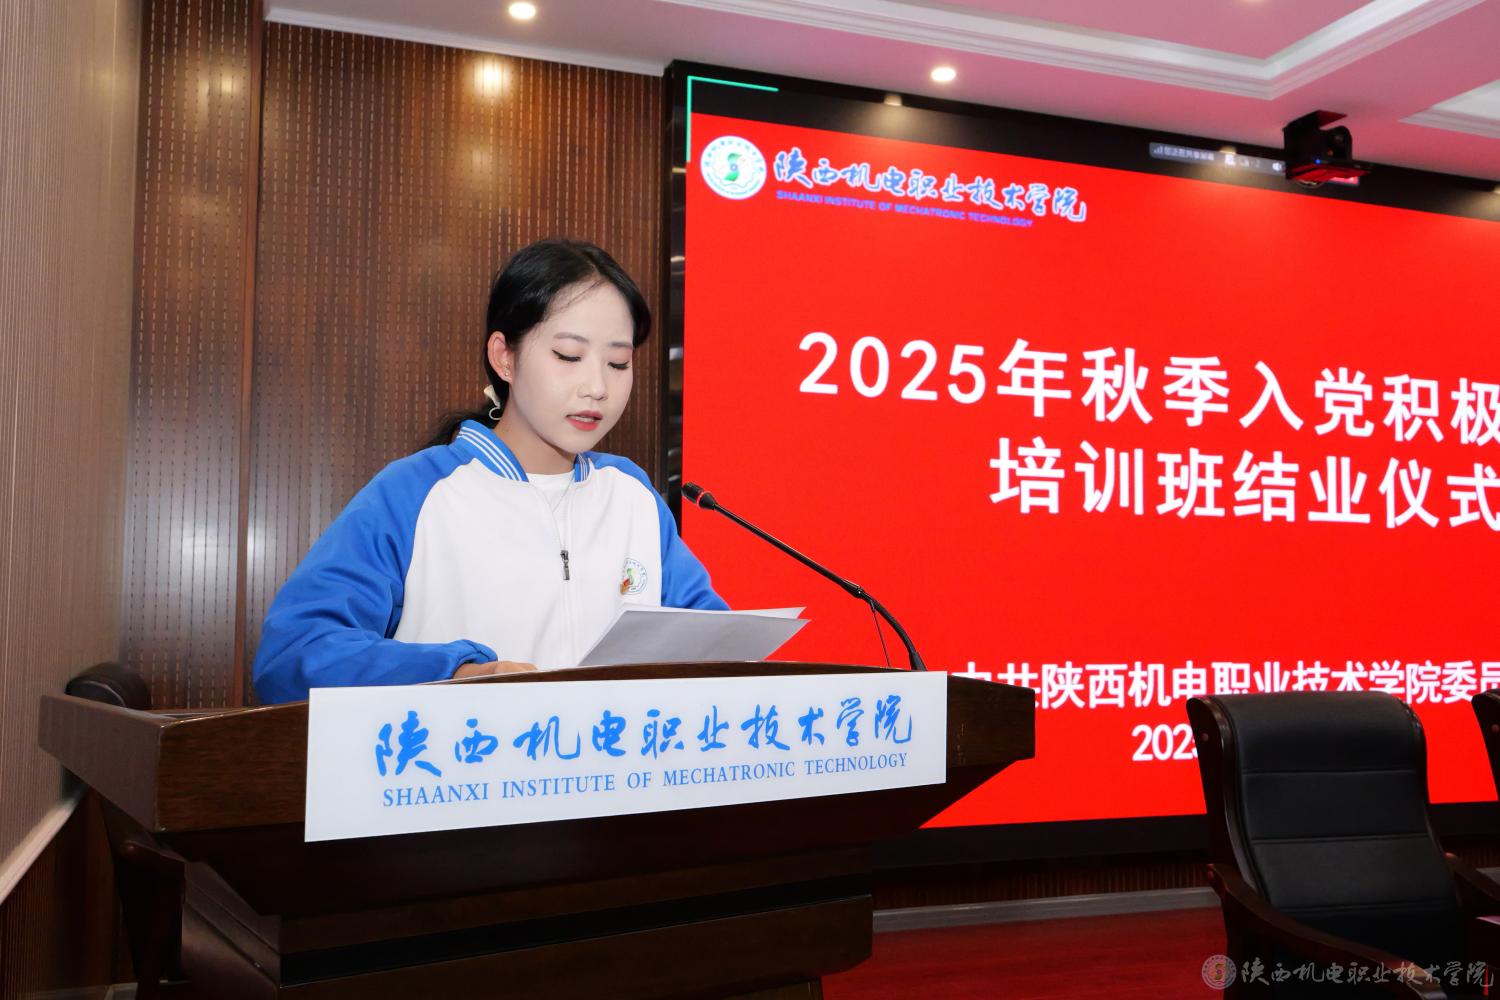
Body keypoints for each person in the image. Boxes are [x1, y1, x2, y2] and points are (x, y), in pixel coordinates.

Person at [252, 239, 726, 704]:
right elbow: (294, 654)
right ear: (504, 357)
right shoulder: (415, 491)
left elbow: (716, 647)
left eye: (618, 363)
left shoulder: (631, 495)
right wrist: (459, 673)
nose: (597, 387)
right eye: (568, 356)